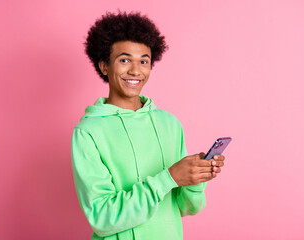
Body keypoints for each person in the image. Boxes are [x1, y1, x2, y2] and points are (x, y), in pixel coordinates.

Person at [71, 11, 225, 240]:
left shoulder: (169, 123)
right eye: (124, 60)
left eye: (143, 61)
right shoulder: (87, 132)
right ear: (104, 66)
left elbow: (185, 207)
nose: (135, 71)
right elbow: (102, 218)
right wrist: (169, 177)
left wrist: (195, 178)